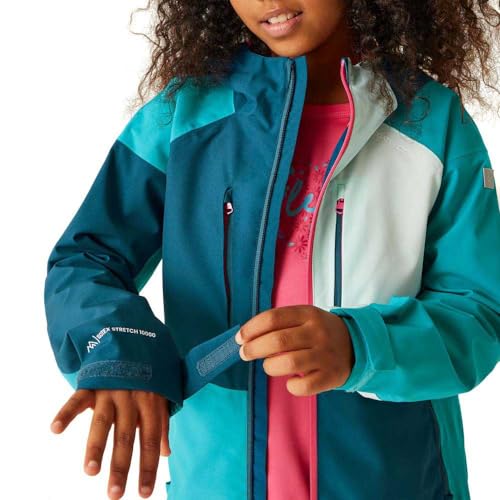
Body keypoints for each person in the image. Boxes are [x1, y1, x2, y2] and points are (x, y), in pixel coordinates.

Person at [44, 1, 500, 499]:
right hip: (217, 482)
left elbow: (478, 313)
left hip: (393, 481)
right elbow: (88, 259)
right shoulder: (182, 117)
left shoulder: (433, 124)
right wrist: (121, 354)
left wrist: (359, 346)